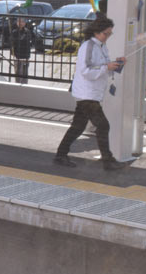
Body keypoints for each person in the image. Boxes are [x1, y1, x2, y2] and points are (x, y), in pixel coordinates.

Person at [54, 16, 127, 170]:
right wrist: (107, 67)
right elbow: (86, 70)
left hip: (90, 93)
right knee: (103, 125)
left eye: (109, 34)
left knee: (78, 126)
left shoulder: (101, 47)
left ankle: (60, 155)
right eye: (106, 33)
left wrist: (115, 65)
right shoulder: (88, 46)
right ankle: (107, 160)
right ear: (96, 32)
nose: (107, 36)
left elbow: (101, 68)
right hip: (86, 93)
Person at [10, 17, 33, 84]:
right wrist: (12, 52)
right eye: (19, 22)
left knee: (24, 73)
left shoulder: (27, 32)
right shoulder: (14, 32)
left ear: (25, 23)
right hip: (17, 55)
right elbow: (12, 43)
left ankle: (25, 85)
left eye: (22, 22)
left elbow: (28, 43)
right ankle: (17, 84)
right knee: (18, 72)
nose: (20, 23)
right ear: (17, 23)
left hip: (25, 55)